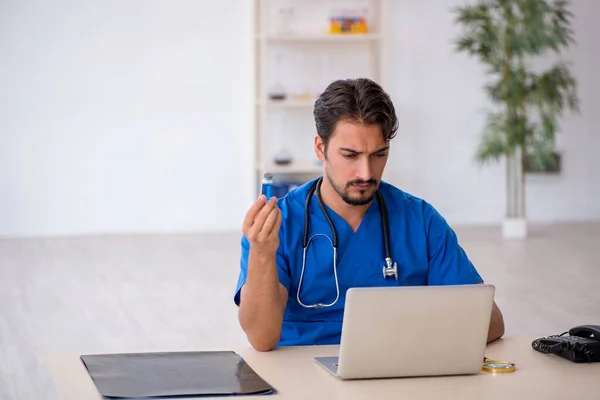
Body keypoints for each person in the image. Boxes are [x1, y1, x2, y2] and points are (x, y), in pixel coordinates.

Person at [234, 78, 505, 352]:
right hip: (303, 373)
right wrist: (262, 253)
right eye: (350, 155)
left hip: (399, 366)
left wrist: (412, 341)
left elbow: (491, 321)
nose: (366, 173)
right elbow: (261, 337)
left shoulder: (420, 220)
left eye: (378, 154)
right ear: (320, 148)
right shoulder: (279, 224)